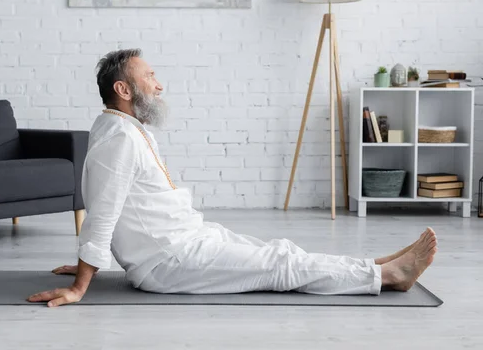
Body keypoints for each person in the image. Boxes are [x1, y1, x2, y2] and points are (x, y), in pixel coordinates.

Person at [27, 49, 437, 307]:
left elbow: (111, 208)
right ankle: (387, 276)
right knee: (279, 266)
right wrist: (82, 282)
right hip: (170, 262)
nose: (160, 83)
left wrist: (87, 262)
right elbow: (102, 214)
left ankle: (371, 265)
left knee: (281, 250)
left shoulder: (124, 129)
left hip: (187, 241)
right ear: (124, 89)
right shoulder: (118, 139)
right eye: (150, 76)